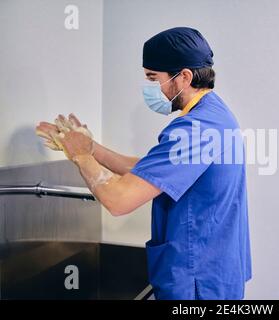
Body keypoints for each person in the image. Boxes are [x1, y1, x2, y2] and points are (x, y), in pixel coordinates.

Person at [35, 27, 251, 300]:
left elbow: (119, 200)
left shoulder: (194, 128)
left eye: (153, 78)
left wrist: (81, 157)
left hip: (196, 281)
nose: (150, 88)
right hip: (213, 270)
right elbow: (152, 170)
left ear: (184, 76)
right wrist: (92, 148)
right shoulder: (214, 115)